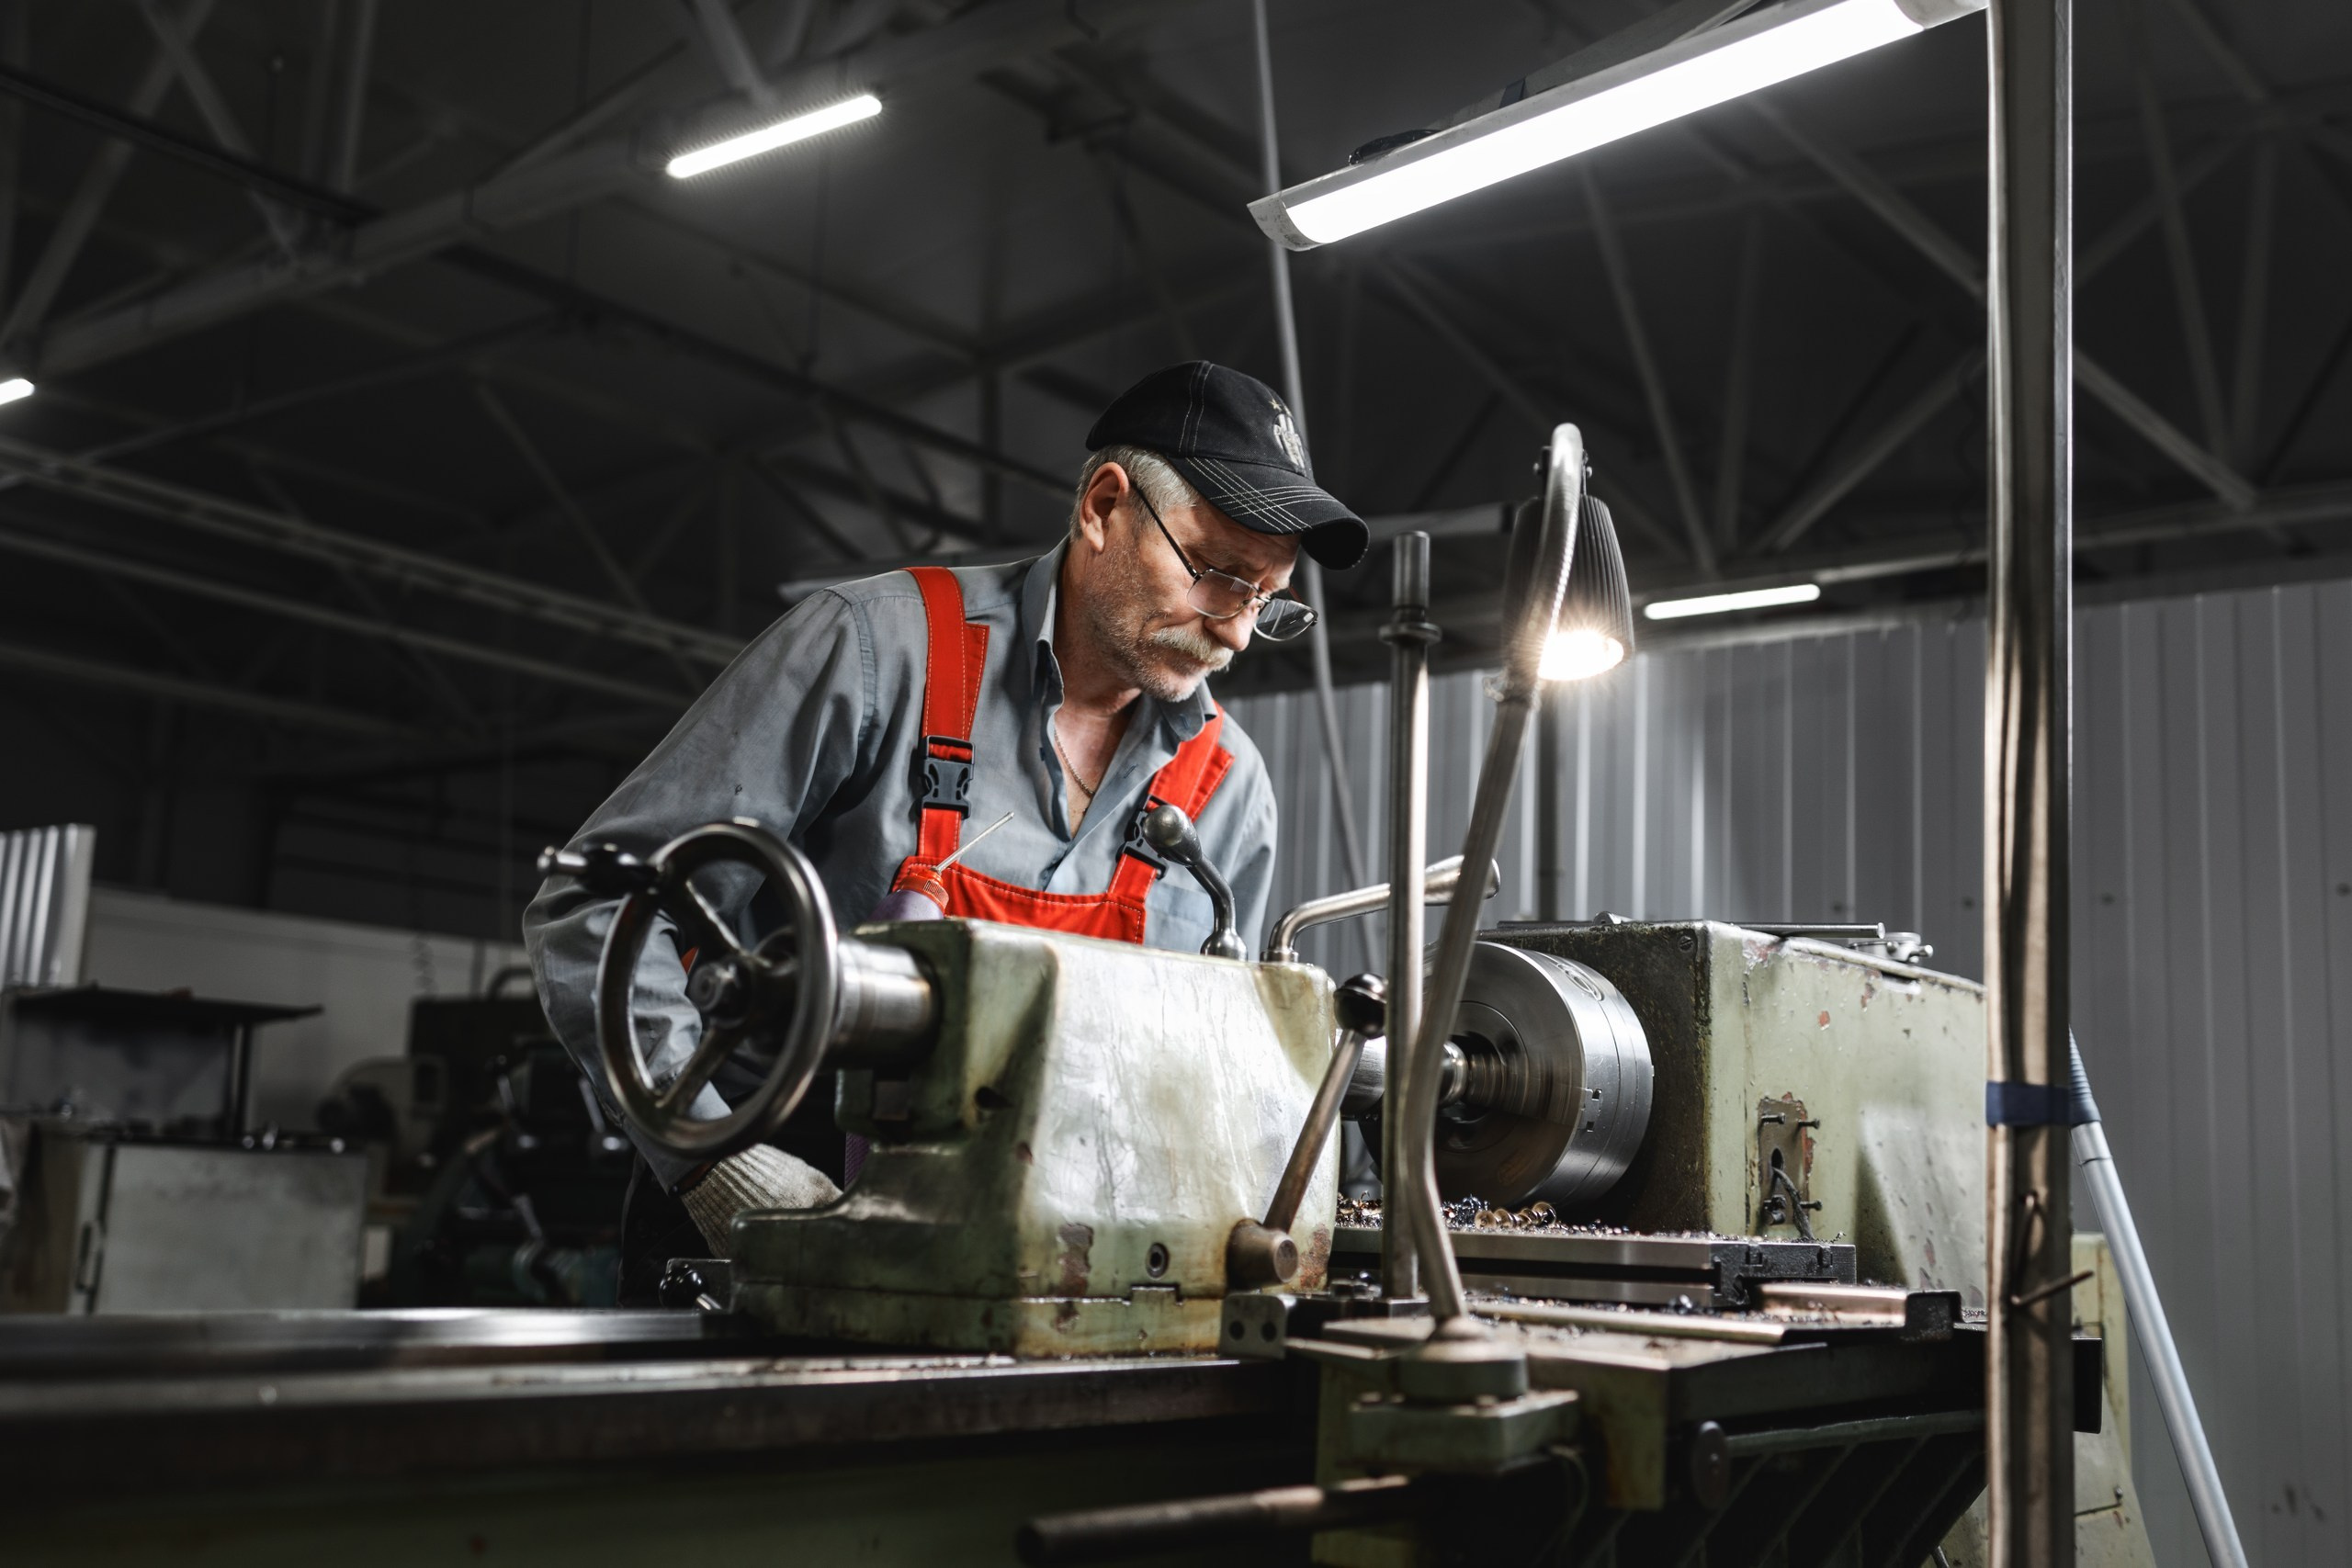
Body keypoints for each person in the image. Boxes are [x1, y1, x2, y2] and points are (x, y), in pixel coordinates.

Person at [523, 361, 1368, 1297]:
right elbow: (598, 905)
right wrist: (712, 1161)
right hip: (769, 1221)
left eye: (1266, 599)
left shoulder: (1226, 786)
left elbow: (1203, 1070)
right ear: (1102, 506)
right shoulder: (876, 651)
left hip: (1052, 1274)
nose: (1236, 630)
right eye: (1214, 572)